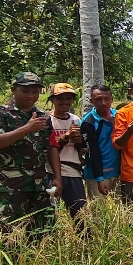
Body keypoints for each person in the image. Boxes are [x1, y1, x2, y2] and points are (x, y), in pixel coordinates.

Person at [0, 72, 56, 239]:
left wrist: (57, 177)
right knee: (11, 236)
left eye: (35, 91)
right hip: (11, 187)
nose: (31, 96)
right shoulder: (1, 114)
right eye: (25, 91)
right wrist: (27, 128)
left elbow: (50, 147)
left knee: (43, 235)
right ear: (13, 90)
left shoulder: (43, 116)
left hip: (39, 186)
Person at [45, 83, 87, 220]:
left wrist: (78, 140)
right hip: (50, 172)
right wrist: (67, 136)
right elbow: (48, 148)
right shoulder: (46, 120)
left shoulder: (75, 120)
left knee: (80, 213)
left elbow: (81, 149)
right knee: (51, 213)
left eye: (69, 98)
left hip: (72, 171)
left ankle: (83, 240)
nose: (65, 102)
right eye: (60, 99)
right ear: (52, 100)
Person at [81, 85, 120, 198]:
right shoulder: (88, 122)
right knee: (98, 212)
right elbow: (92, 151)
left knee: (123, 209)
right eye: (98, 99)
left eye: (106, 99)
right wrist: (99, 178)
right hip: (96, 176)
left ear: (112, 99)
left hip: (119, 173)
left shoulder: (119, 116)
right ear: (91, 101)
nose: (103, 103)